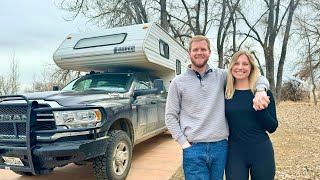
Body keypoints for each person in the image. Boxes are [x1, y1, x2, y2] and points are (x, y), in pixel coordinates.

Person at [165, 35, 270, 180]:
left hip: (220, 147)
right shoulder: (178, 82)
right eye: (195, 49)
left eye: (203, 49)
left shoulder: (221, 76)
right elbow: (170, 116)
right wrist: (184, 143)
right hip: (193, 147)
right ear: (188, 53)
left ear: (209, 52)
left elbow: (256, 76)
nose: (199, 52)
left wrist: (261, 90)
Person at [225, 50, 278, 180]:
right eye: (236, 63)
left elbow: (272, 127)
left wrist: (260, 107)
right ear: (231, 66)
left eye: (245, 64)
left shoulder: (263, 94)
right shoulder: (225, 93)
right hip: (234, 153)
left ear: (251, 68)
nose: (240, 67)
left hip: (261, 151)